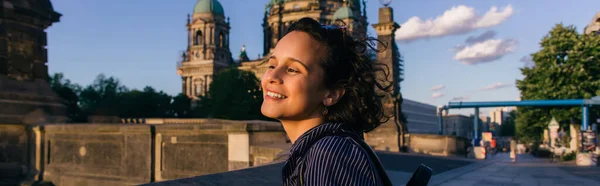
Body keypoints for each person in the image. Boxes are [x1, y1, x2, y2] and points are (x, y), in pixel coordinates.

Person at [260, 17, 393, 186]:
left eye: (292, 69)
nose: (272, 77)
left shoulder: (327, 154)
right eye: (272, 65)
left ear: (332, 94)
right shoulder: (328, 147)